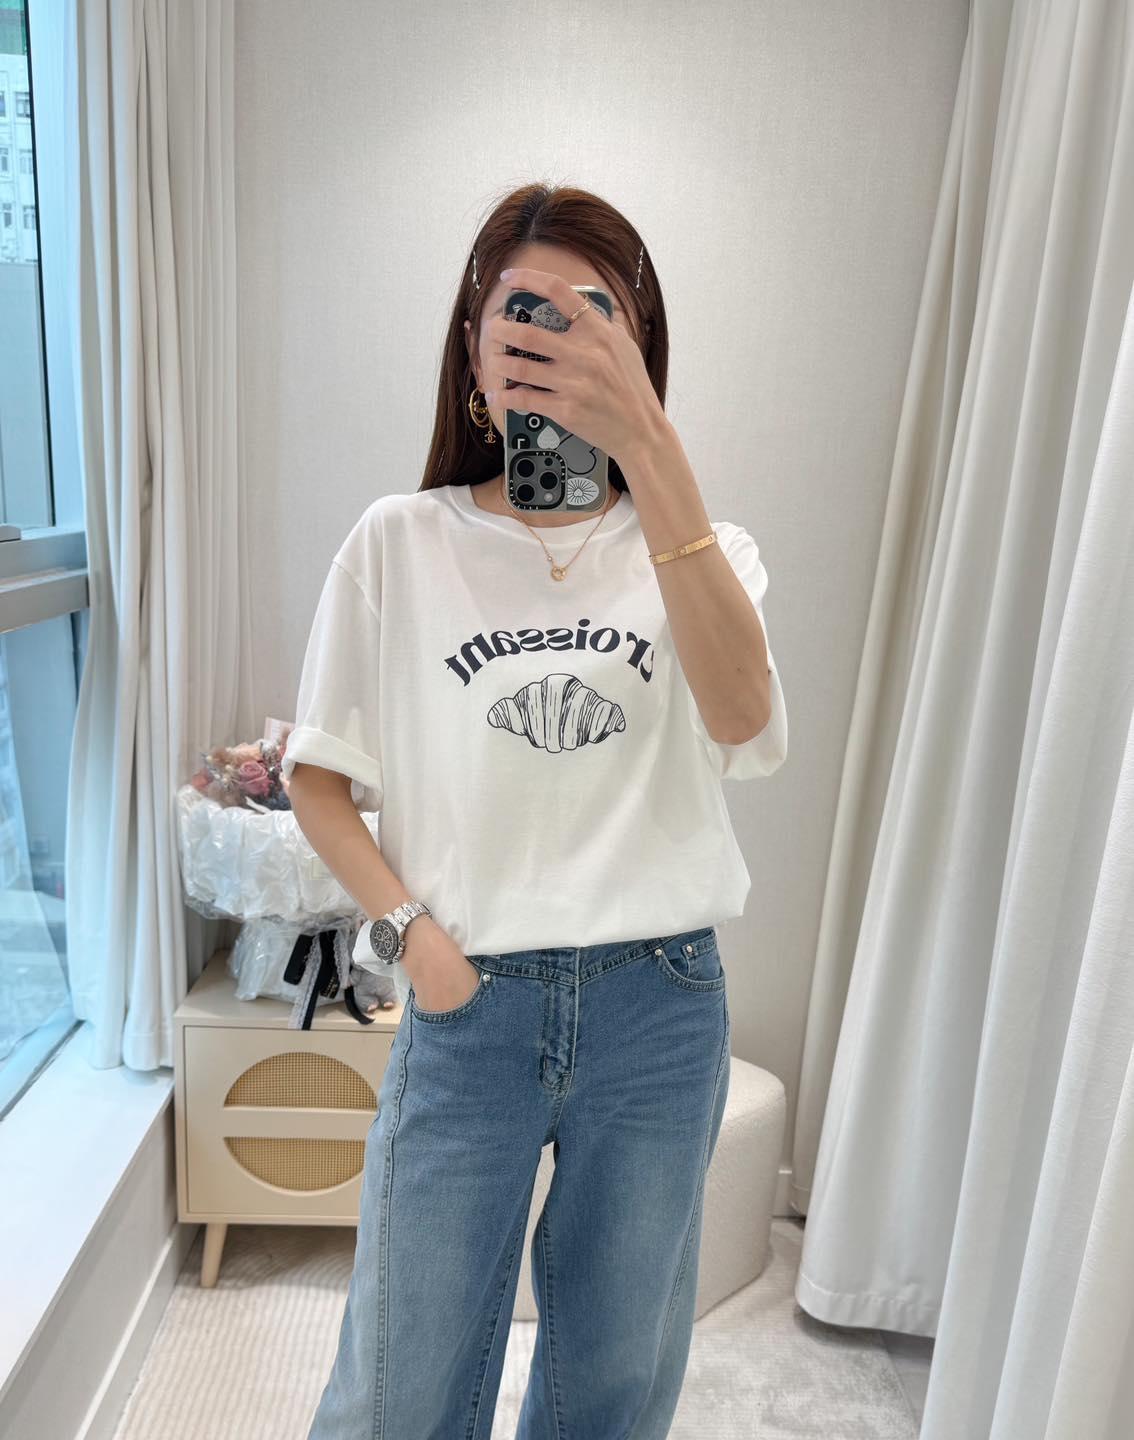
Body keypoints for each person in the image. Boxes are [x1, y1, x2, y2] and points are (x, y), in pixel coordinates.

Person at [284, 183, 788, 1439]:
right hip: (469, 1004)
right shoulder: (399, 543)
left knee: (611, 1387)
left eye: (594, 317)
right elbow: (316, 779)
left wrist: (651, 454)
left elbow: (743, 723)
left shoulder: (708, 548)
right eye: (525, 315)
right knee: (395, 1390)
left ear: (641, 348)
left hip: (657, 1005)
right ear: (474, 351)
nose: (556, 343)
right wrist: (412, 941)